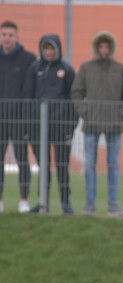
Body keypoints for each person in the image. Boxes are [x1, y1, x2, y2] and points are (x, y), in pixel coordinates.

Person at [71, 30, 123, 216]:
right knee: (90, 164)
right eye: (101, 46)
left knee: (113, 164)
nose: (104, 50)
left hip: (114, 124)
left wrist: (122, 114)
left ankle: (113, 203)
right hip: (92, 124)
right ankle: (90, 203)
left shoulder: (120, 69)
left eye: (107, 46)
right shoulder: (87, 68)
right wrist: (84, 112)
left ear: (111, 48)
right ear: (96, 48)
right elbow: (77, 92)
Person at [27, 34, 77, 214]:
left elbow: (74, 100)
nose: (49, 52)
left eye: (52, 48)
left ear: (58, 49)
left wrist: (70, 128)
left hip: (61, 127)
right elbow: (29, 97)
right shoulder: (34, 69)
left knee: (62, 165)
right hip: (39, 129)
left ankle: (65, 202)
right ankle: (43, 203)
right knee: (43, 166)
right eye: (46, 48)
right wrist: (30, 126)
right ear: (42, 49)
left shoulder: (67, 70)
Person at [0, 20, 35, 213]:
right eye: (4, 34)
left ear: (17, 36)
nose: (7, 38)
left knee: (23, 159)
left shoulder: (28, 59)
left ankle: (24, 199)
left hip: (19, 119)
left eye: (10, 35)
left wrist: (25, 114)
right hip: (0, 120)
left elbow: (29, 90)